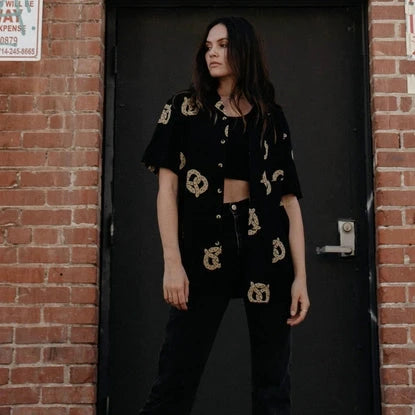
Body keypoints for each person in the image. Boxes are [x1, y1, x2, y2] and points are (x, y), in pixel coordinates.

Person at [139, 16, 310, 415]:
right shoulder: (183, 108)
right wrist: (172, 263)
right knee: (175, 375)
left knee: (273, 383)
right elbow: (167, 190)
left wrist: (301, 277)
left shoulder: (270, 116)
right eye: (208, 46)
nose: (212, 52)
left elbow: (289, 202)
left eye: (223, 45)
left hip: (265, 250)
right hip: (203, 247)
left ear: (244, 50)